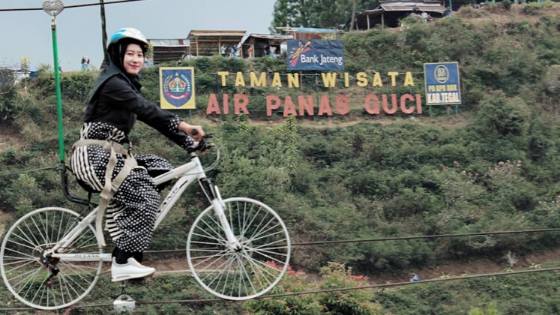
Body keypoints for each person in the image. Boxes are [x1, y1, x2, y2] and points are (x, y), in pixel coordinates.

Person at [70, 27, 205, 282]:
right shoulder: (112, 83)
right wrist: (185, 126)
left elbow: (154, 120)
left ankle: (124, 219)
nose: (136, 59)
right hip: (94, 156)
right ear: (118, 55)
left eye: (140, 55)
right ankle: (122, 261)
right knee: (145, 196)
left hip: (115, 156)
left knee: (161, 169)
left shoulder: (124, 84)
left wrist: (189, 143)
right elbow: (148, 110)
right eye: (130, 53)